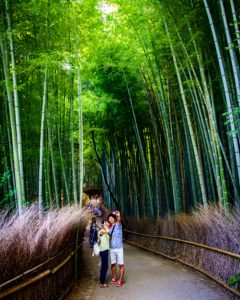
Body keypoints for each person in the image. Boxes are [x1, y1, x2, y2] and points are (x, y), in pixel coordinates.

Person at [108, 211, 124, 287]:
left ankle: (120, 280)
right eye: (109, 218)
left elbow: (119, 220)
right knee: (113, 264)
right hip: (112, 248)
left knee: (121, 265)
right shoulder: (109, 228)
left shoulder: (118, 224)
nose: (110, 219)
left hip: (119, 248)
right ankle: (114, 277)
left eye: (111, 218)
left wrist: (118, 215)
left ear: (114, 219)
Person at [98, 220, 110, 288]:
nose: (107, 224)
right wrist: (105, 226)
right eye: (105, 222)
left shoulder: (104, 232)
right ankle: (102, 283)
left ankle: (101, 281)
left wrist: (105, 226)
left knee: (103, 266)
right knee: (105, 267)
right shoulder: (101, 231)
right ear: (102, 224)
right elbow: (108, 231)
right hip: (103, 250)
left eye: (107, 222)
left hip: (105, 250)